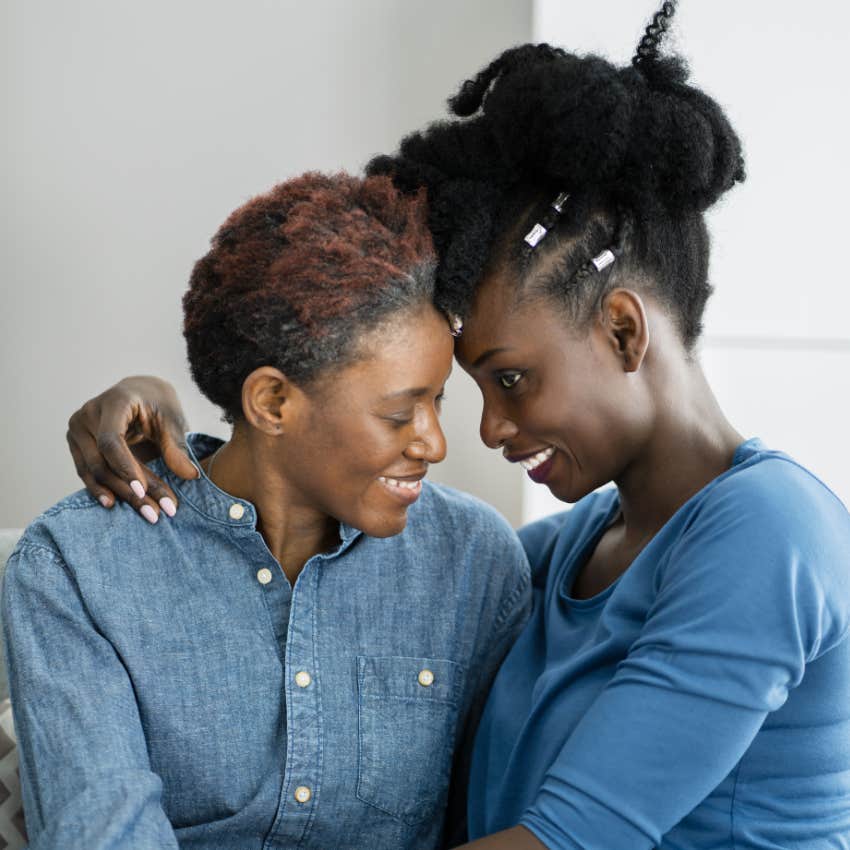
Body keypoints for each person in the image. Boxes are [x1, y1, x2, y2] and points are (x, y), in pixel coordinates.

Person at [59, 3, 850, 848]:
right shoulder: (556, 556)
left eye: (510, 378)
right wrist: (184, 415)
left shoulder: (770, 532)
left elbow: (569, 838)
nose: (487, 431)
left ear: (624, 330)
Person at [2, 172, 531, 850]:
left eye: (438, 403)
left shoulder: (472, 562)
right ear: (273, 403)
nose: (435, 443)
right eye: (400, 412)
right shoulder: (77, 567)